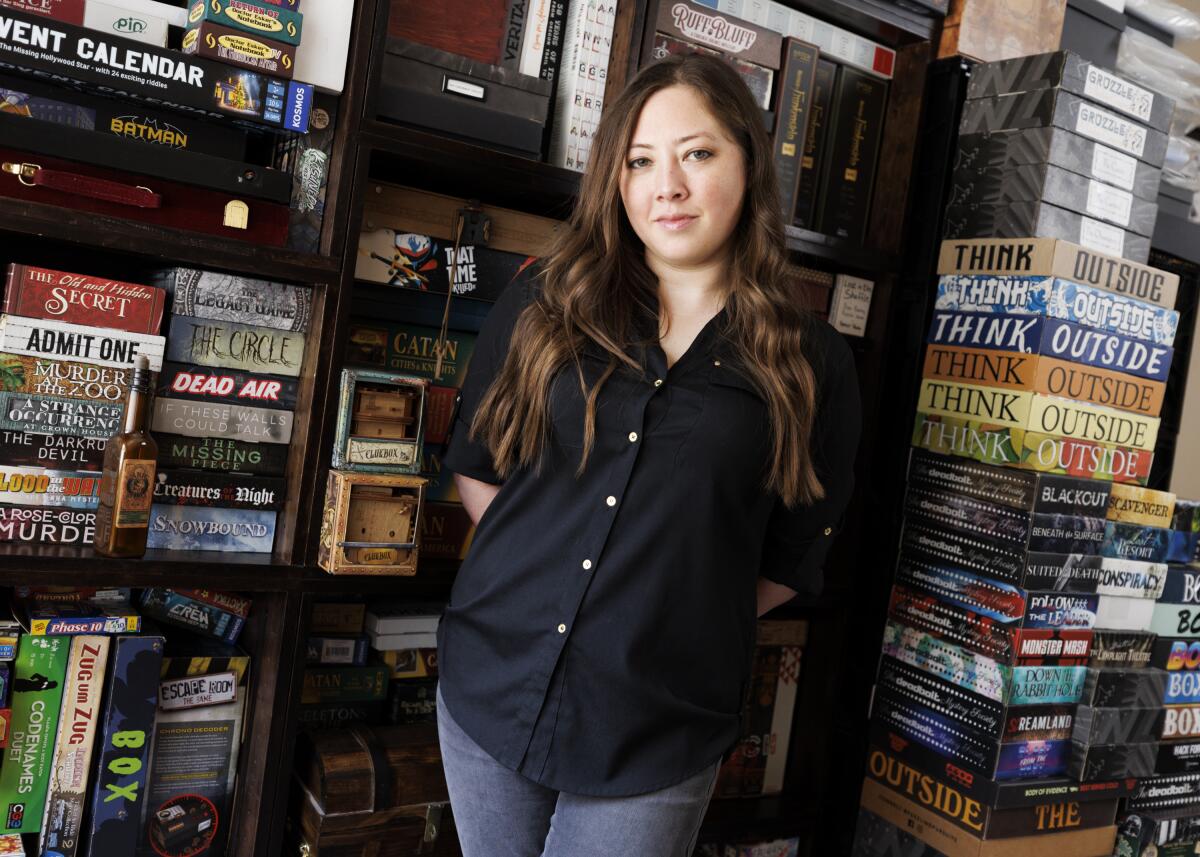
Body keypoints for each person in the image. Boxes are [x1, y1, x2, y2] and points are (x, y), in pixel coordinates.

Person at [436, 52, 861, 857]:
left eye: (697, 154)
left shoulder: (813, 362)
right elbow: (480, 465)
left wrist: (660, 606)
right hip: (493, 679)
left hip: (659, 723)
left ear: (747, 162)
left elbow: (788, 556)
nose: (667, 185)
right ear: (616, 179)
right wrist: (552, 568)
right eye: (639, 161)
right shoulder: (542, 301)